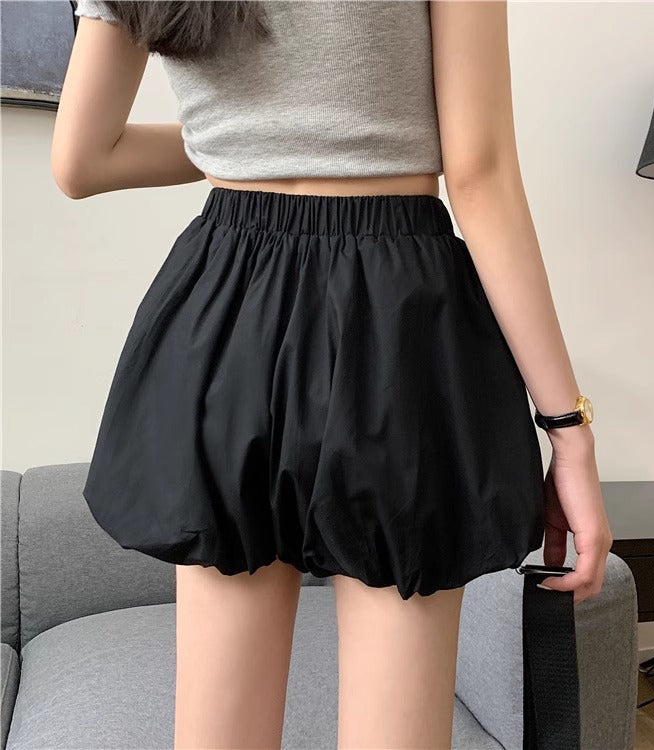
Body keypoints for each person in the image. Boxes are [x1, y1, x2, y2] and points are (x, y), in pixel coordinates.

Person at [52, 1, 613, 749]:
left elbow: (81, 161)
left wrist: (248, 139)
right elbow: (478, 175)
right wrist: (568, 431)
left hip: (224, 317)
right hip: (397, 320)